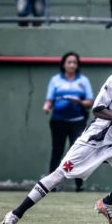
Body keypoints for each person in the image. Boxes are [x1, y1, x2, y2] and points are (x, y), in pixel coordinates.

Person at [0, 41, 112, 224]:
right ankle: (14, 214)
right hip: (95, 138)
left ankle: (108, 203)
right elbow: (97, 110)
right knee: (58, 176)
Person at [43, 52, 94, 192]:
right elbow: (50, 99)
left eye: (74, 63)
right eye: (69, 62)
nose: (72, 65)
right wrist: (47, 106)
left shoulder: (83, 81)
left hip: (77, 122)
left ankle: (79, 184)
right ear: (64, 64)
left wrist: (80, 102)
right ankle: (51, 184)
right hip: (58, 121)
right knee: (57, 151)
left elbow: (90, 102)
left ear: (77, 65)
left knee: (77, 152)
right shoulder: (55, 80)